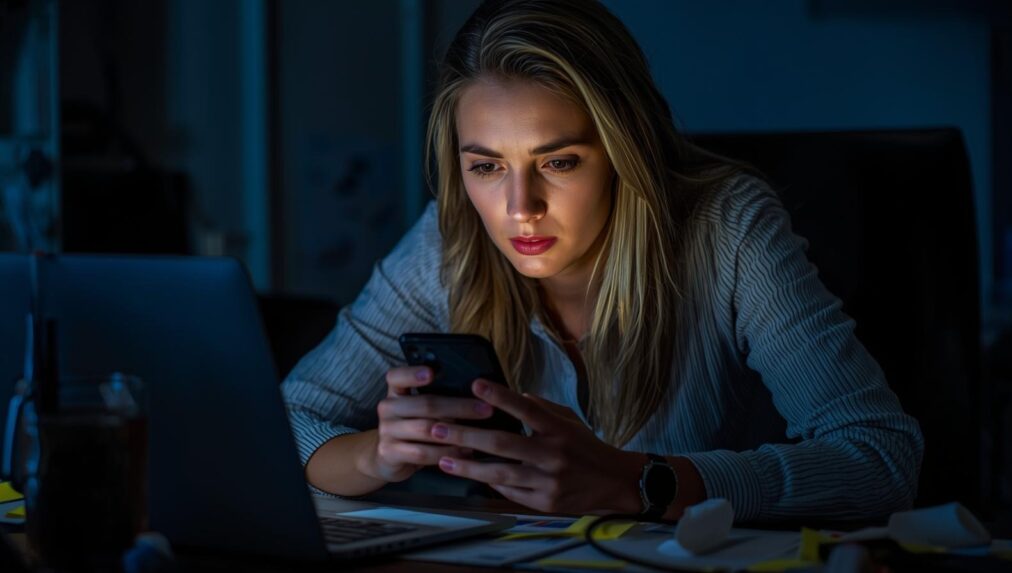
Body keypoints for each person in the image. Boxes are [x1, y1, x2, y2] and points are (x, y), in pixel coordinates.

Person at [281, 0, 923, 522]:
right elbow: (286, 419)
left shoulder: (728, 228)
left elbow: (880, 456)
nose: (519, 207)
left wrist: (642, 482)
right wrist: (379, 455)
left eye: (558, 162)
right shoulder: (449, 240)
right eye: (485, 166)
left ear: (623, 150)